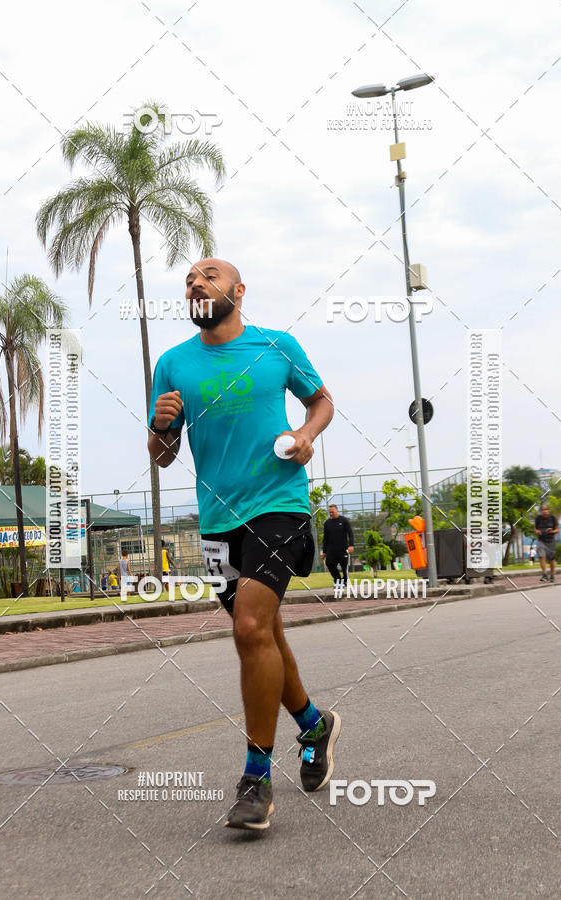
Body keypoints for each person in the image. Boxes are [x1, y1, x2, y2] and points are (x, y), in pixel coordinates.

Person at [147, 258, 340, 832]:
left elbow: (322, 401)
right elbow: (162, 456)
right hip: (217, 520)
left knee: (250, 628)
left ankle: (256, 781)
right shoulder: (173, 363)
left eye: (208, 275)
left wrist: (305, 434)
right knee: (265, 634)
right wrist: (161, 426)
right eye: (189, 280)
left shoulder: (276, 346)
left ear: (238, 290)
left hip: (278, 504)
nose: (196, 284)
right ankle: (314, 726)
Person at [322, 504, 354, 589]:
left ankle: (345, 581)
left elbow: (350, 533)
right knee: (329, 564)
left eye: (332, 512)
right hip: (331, 550)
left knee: (344, 567)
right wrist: (324, 551)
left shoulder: (344, 520)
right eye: (330, 512)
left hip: (343, 549)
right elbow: (325, 538)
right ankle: (338, 581)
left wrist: (351, 545)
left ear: (337, 510)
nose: (331, 514)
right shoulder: (327, 523)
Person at [534, 505, 559, 582]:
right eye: (543, 510)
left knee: (551, 559)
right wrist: (537, 531)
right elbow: (535, 528)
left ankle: (552, 575)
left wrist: (551, 531)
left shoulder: (553, 518)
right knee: (541, 556)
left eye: (546, 510)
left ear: (548, 510)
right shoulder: (538, 518)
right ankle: (544, 574)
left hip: (550, 541)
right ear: (541, 511)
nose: (544, 511)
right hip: (541, 540)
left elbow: (557, 530)